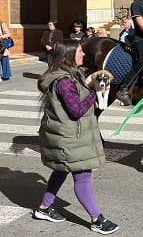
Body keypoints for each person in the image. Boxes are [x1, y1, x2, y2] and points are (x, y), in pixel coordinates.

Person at [34, 39, 119, 234]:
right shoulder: (63, 81)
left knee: (62, 170)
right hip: (69, 137)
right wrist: (93, 92)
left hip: (69, 135)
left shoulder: (72, 75)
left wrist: (91, 86)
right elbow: (76, 110)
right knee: (83, 176)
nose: (83, 54)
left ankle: (44, 208)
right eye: (80, 51)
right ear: (69, 55)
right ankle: (97, 219)